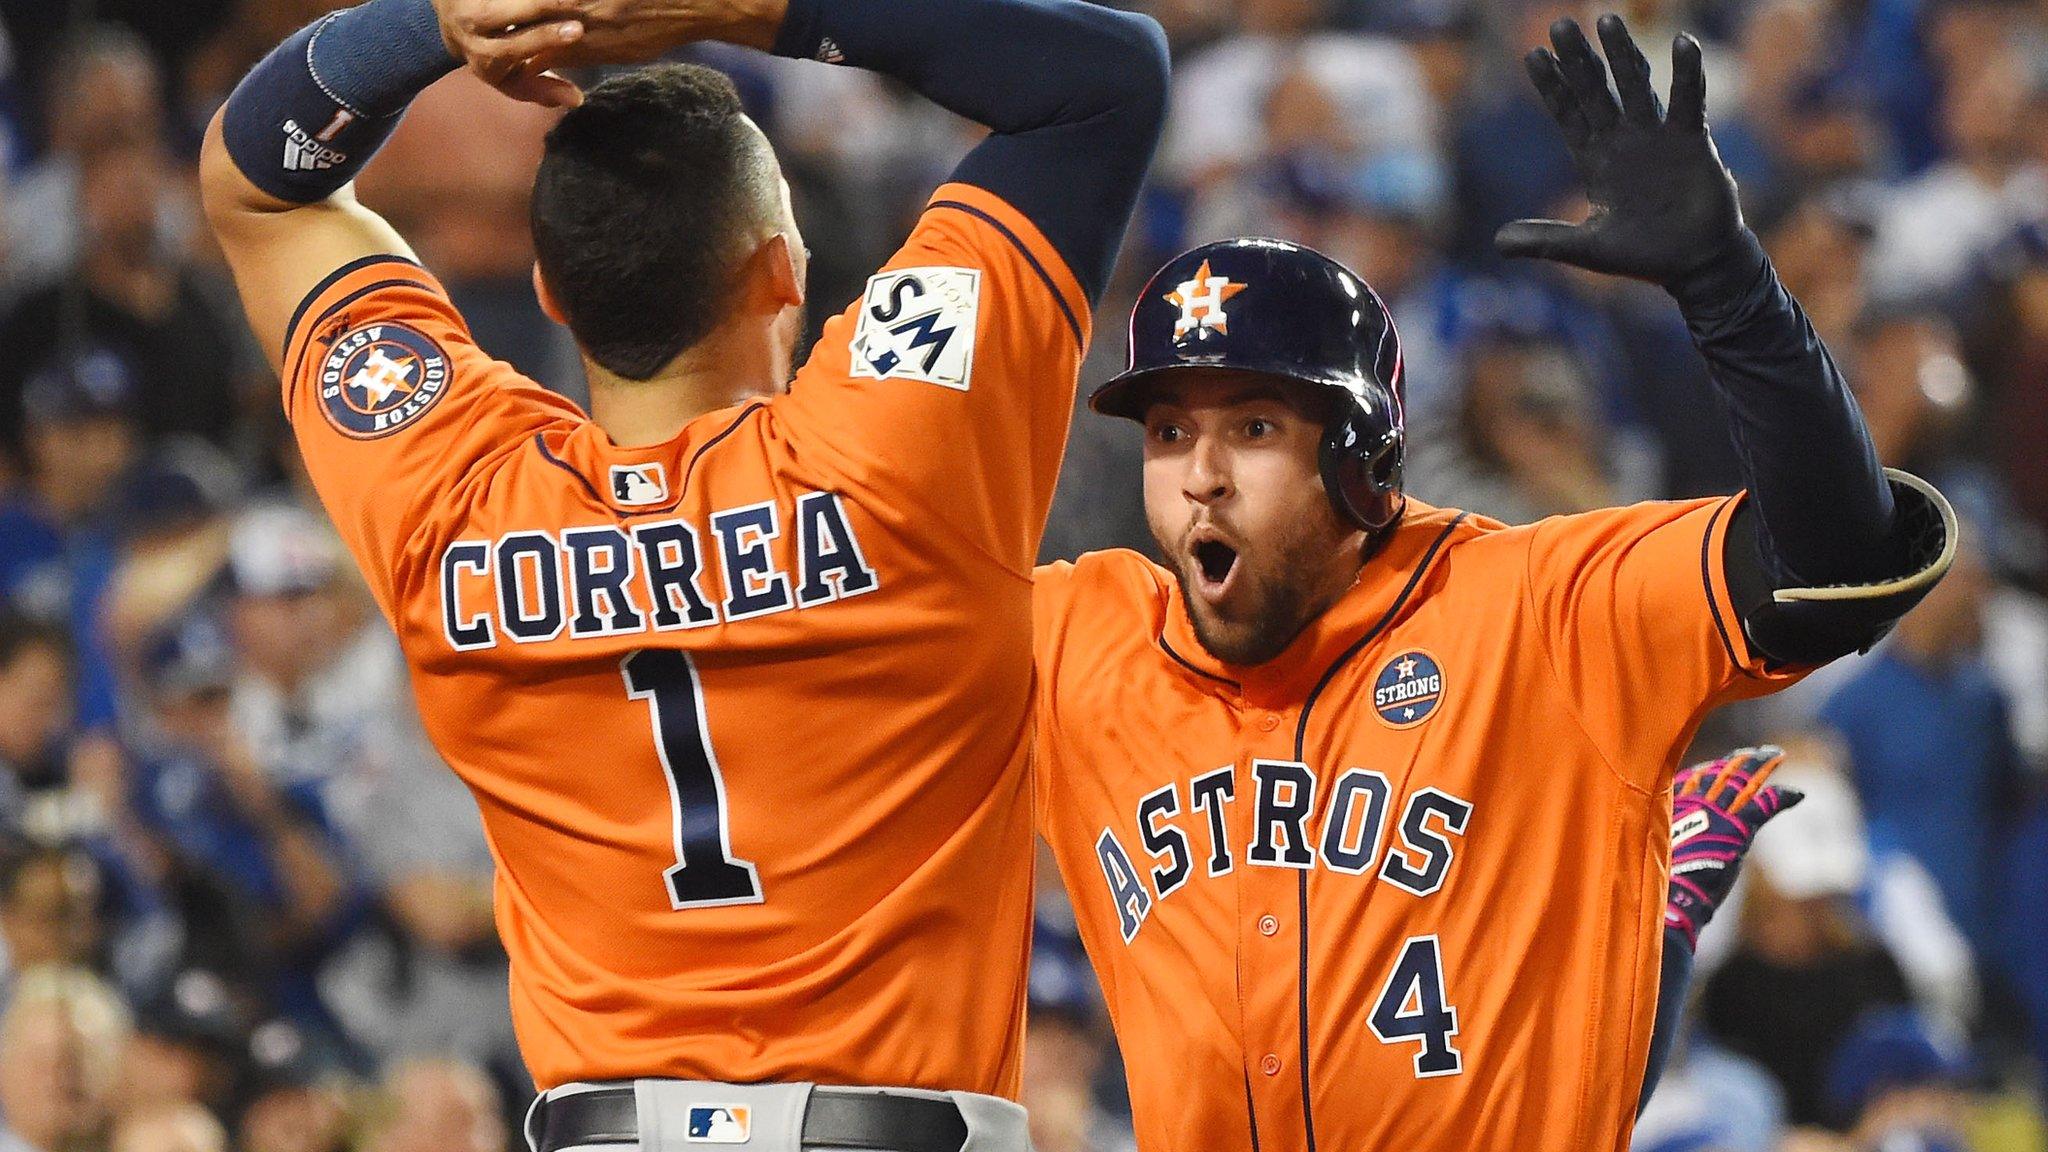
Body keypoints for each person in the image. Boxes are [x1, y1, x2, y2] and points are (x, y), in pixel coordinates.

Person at [198, 0, 1166, 1151]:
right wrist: (726, 12)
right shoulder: (895, 454)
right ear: (779, 271)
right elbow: (1100, 76)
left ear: (551, 294)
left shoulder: (448, 494)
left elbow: (256, 182)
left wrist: (445, 26)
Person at [1029, 16, 1954, 1152]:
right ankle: (1639, 925)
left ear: (1360, 464)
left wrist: (1729, 288)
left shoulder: (1538, 609)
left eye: (1253, 427)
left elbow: (1840, 556)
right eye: (1169, 432)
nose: (1199, 478)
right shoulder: (1081, 635)